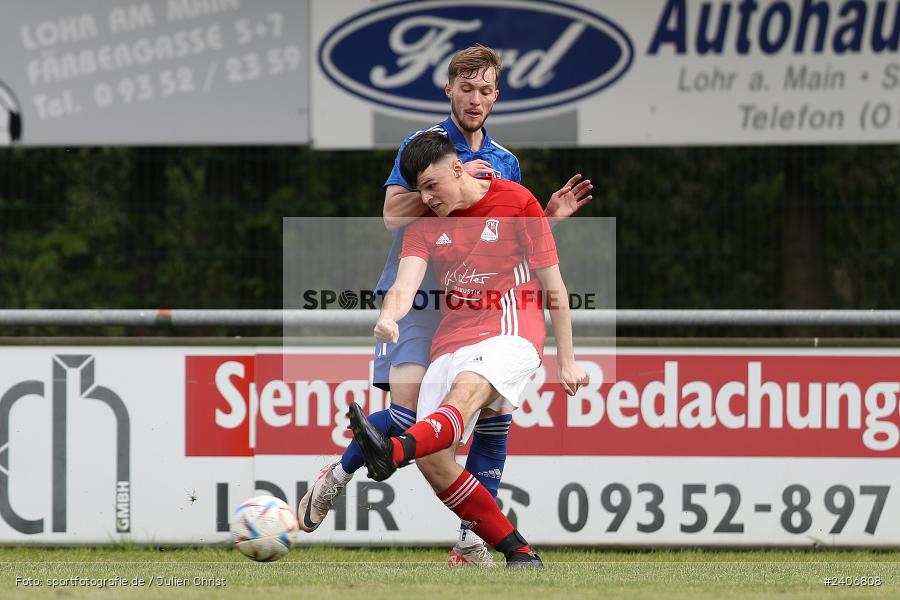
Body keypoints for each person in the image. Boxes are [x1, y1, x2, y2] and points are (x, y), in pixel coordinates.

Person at [298, 45, 592, 566]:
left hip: (480, 304)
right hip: (419, 299)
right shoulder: (423, 146)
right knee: (408, 416)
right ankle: (338, 475)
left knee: (492, 418)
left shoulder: (506, 161)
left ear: (496, 96)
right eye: (466, 89)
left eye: (485, 91)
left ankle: (471, 540)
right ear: (449, 90)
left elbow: (506, 232)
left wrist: (544, 217)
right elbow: (393, 215)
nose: (475, 99)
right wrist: (445, 183)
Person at [347, 130, 588, 568]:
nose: (426, 198)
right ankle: (518, 551)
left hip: (509, 327)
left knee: (464, 394)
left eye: (432, 186)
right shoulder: (424, 224)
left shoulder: (517, 200)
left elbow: (555, 287)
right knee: (435, 461)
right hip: (452, 337)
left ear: (457, 168)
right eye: (419, 190)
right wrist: (389, 317)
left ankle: (392, 452)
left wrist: (567, 360)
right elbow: (405, 284)